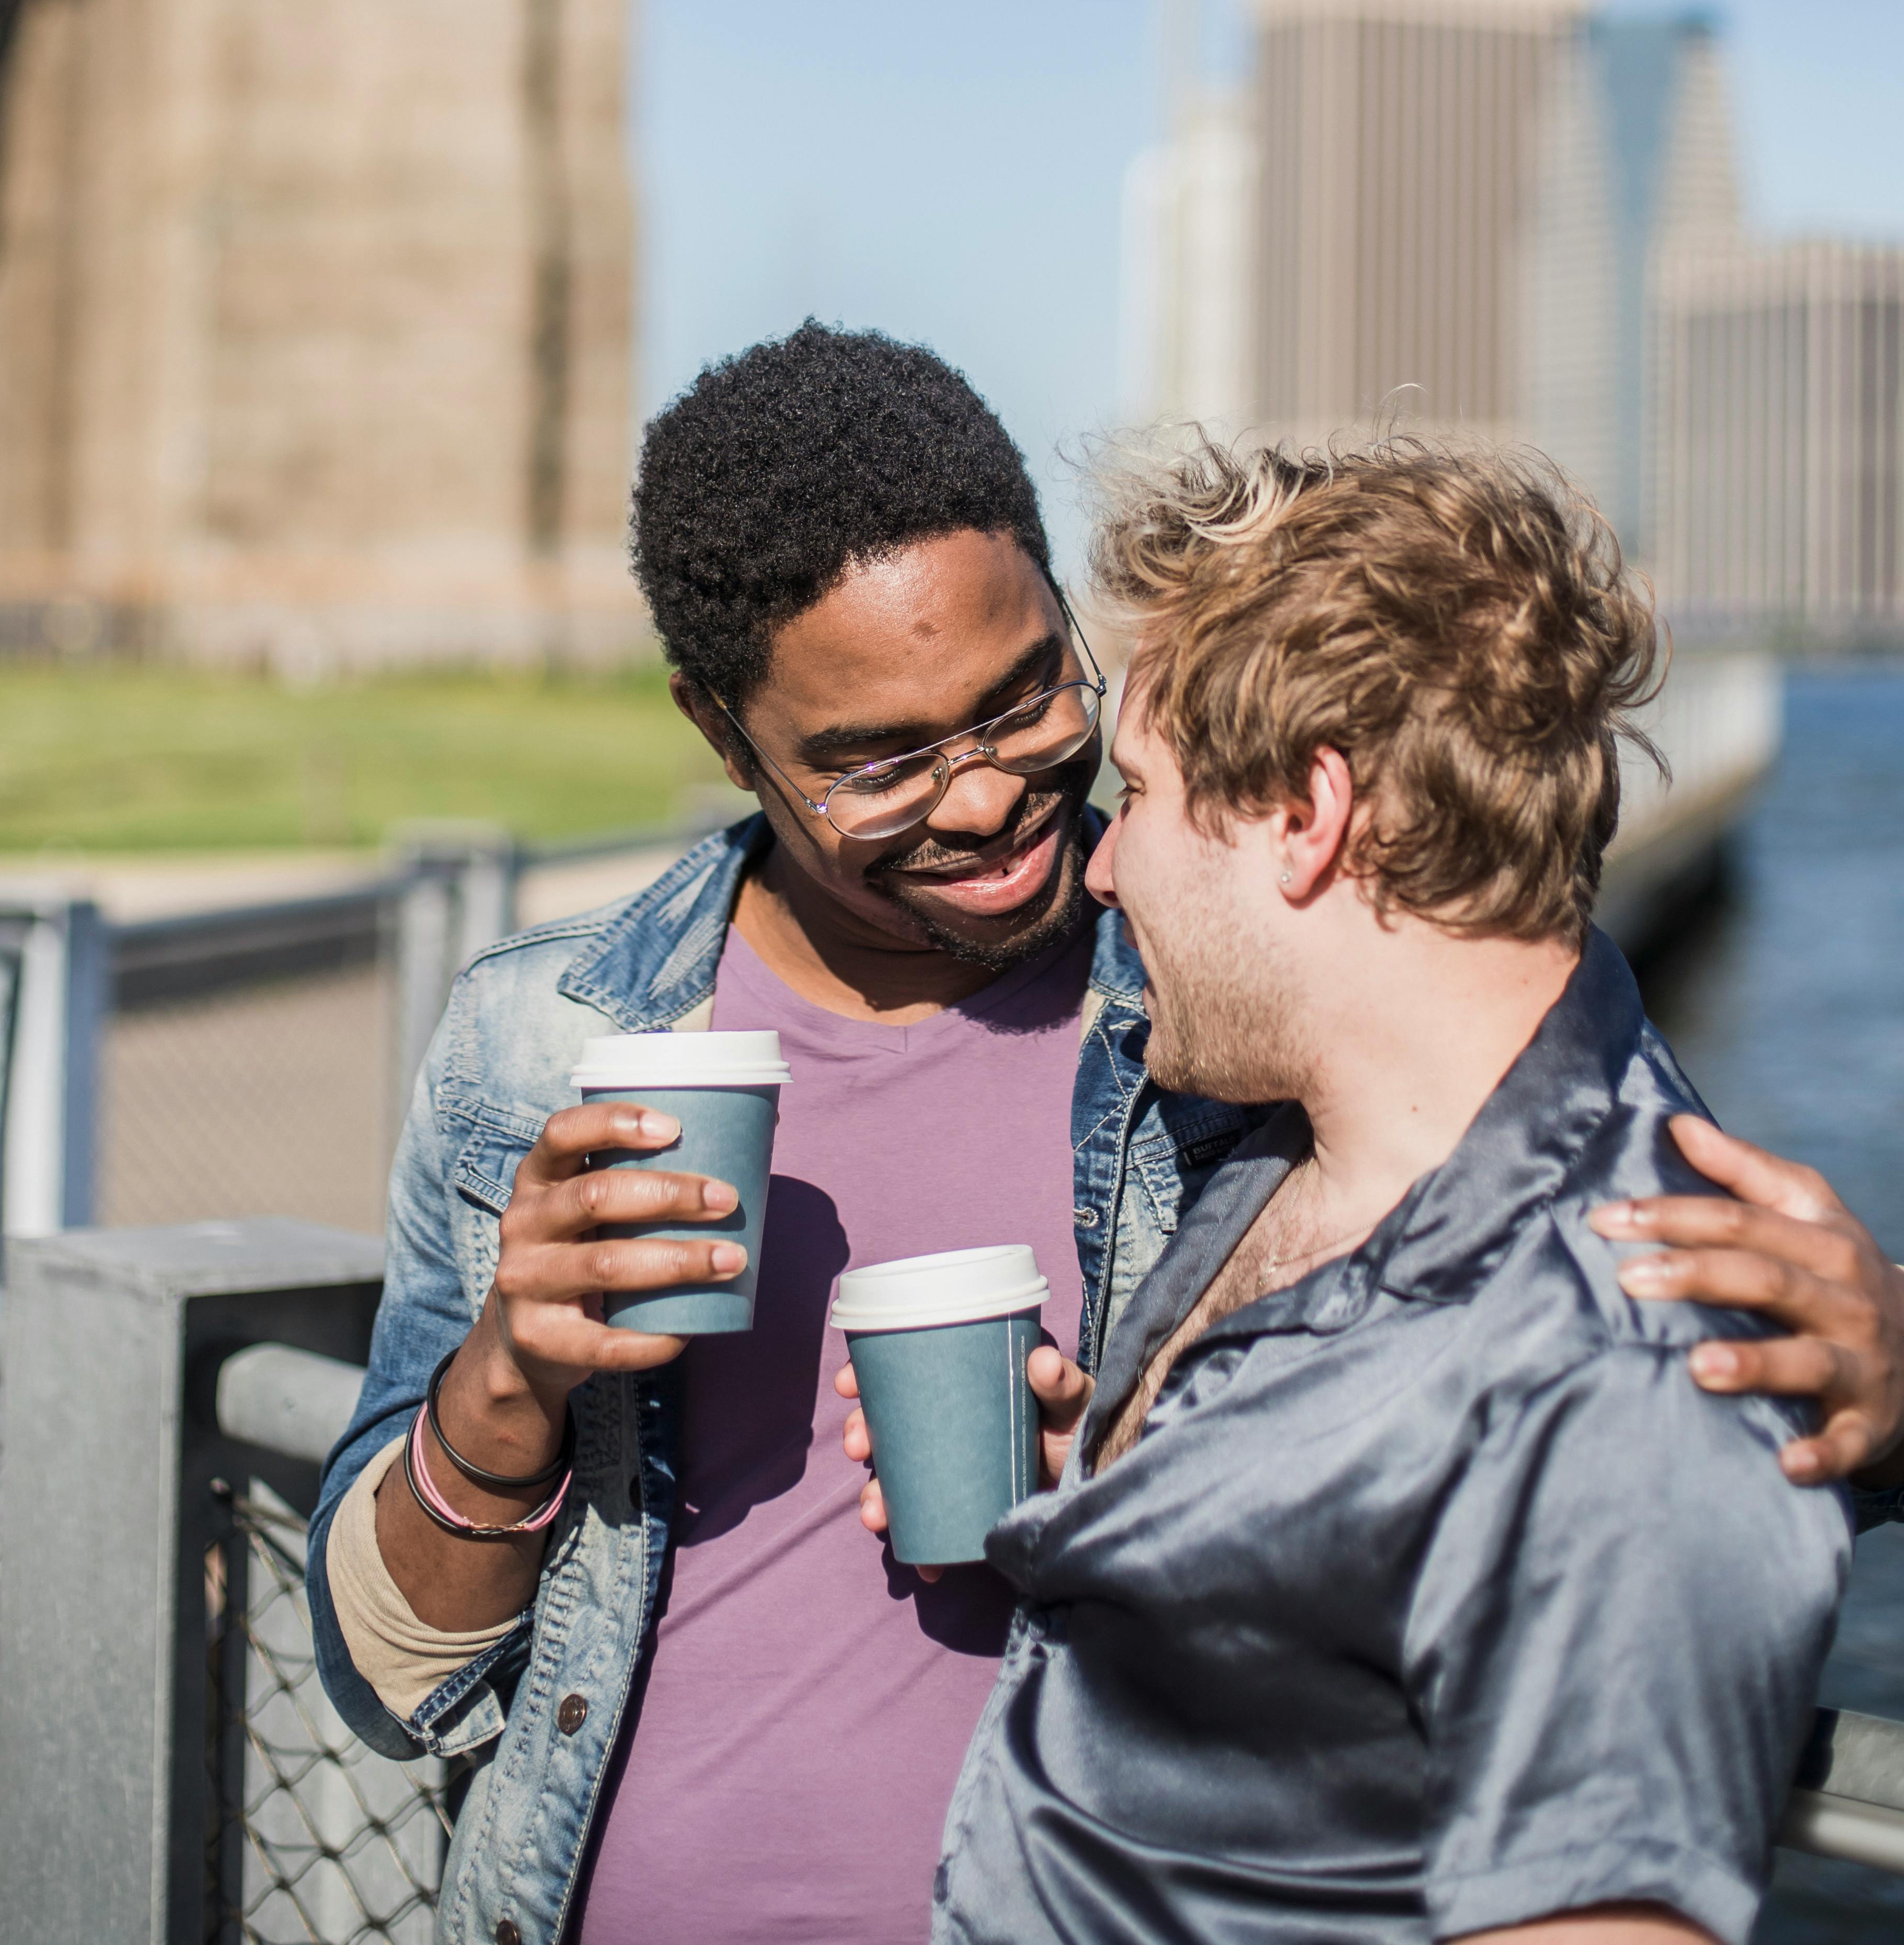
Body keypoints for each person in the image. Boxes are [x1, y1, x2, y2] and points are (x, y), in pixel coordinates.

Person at [307, 328, 1904, 1945]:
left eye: (1023, 702)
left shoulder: (1238, 981)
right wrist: (510, 1377)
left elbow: (1615, 1262)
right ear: (725, 737)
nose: (997, 800)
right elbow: (386, 1684)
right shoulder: (543, 1042)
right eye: (881, 758)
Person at [931, 435, 1866, 1945]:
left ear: (1311, 812)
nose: (1106, 871)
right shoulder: (1281, 1152)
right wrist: (1135, 1492)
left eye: (1146, 795)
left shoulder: (1616, 1361)